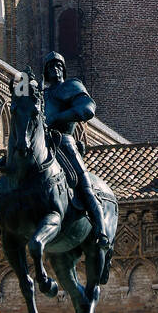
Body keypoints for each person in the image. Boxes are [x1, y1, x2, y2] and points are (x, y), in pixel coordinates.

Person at [42, 51, 107, 242]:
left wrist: (56, 117)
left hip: (64, 142)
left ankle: (100, 227)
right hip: (42, 143)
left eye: (59, 65)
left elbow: (87, 109)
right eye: (51, 66)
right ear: (45, 71)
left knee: (84, 185)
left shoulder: (71, 86)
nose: (55, 68)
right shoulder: (42, 93)